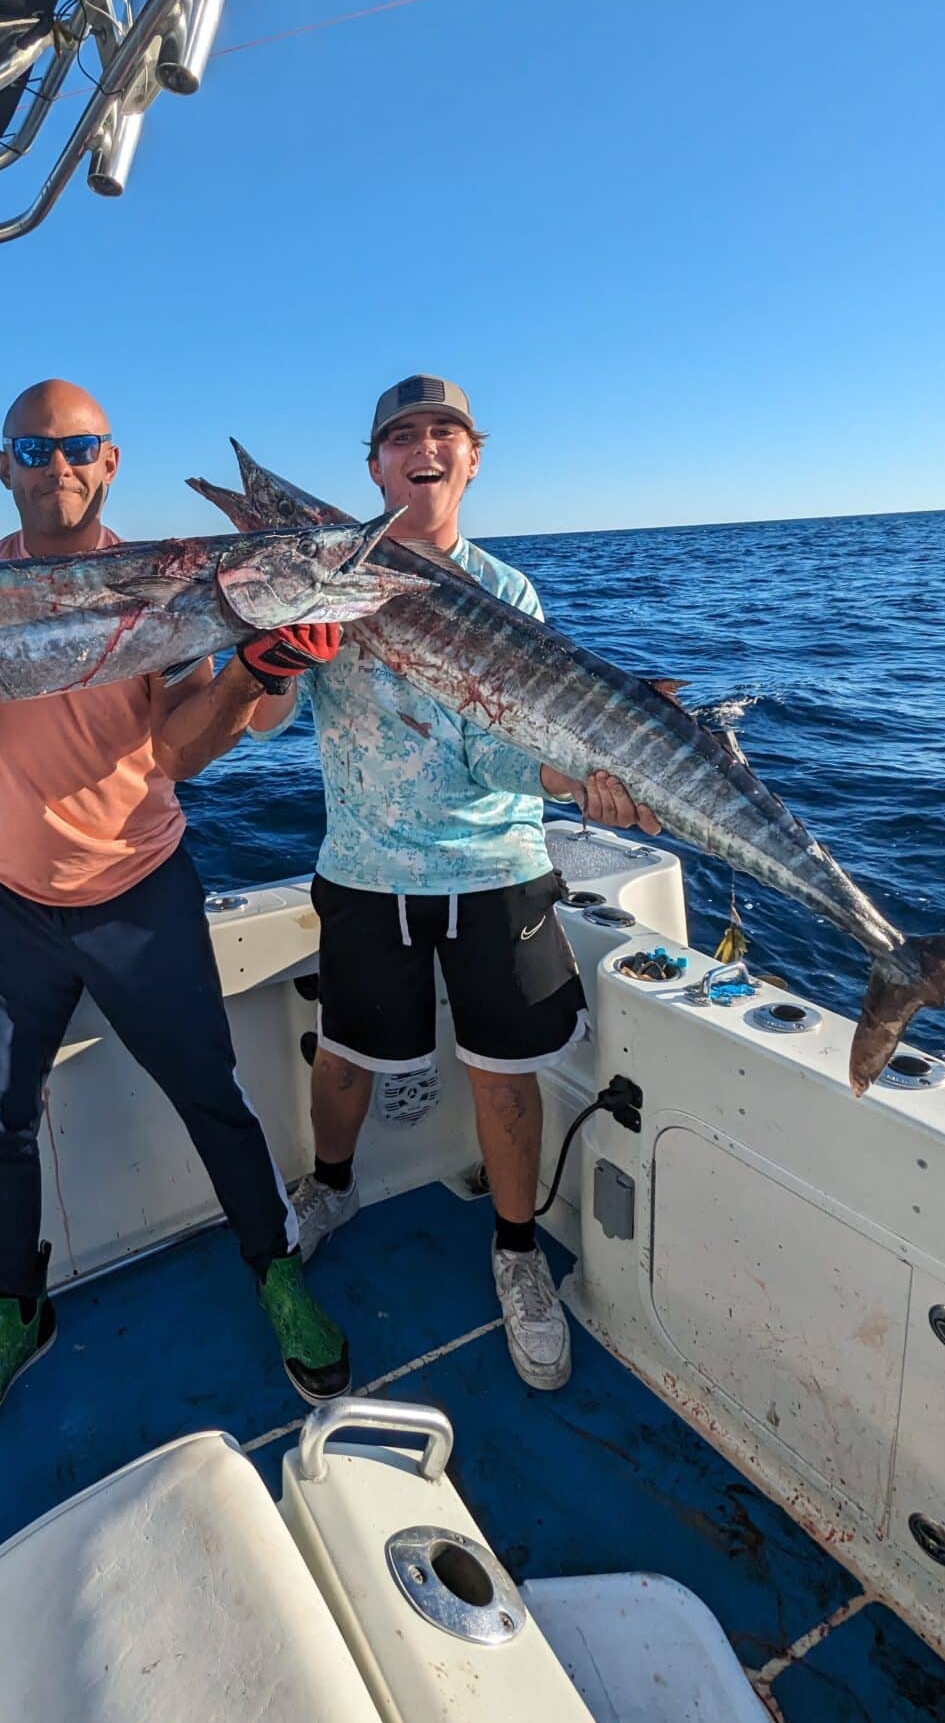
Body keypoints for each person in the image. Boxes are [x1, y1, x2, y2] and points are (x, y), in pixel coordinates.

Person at [0, 377, 354, 1450]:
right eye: (34, 447)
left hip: (140, 892)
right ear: (4, 465)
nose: (57, 465)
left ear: (111, 461)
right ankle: (15, 1311)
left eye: (79, 447)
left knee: (213, 1097)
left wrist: (253, 671)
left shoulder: (173, 584)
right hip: (3, 901)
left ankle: (277, 1271)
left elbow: (178, 751)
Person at [249, 375, 659, 1392]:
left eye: (444, 433)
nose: (423, 447)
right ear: (374, 466)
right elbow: (260, 724)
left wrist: (580, 782)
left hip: (496, 869)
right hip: (364, 867)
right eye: (401, 436)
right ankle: (330, 1190)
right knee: (343, 1055)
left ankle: (517, 1251)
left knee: (502, 1076)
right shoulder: (325, 574)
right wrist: (269, 662)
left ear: (472, 457)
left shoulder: (507, 591)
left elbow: (500, 749)